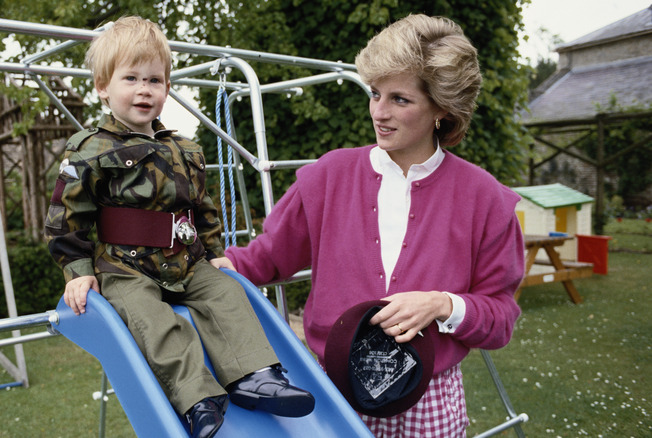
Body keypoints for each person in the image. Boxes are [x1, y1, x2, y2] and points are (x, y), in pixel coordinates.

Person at [212, 14, 525, 437]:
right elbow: (265, 258)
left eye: (400, 99)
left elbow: (501, 317)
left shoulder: (486, 199)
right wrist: (207, 269)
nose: (379, 111)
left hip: (429, 400)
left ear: (442, 109)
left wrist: (441, 304)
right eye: (375, 93)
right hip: (332, 391)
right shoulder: (327, 175)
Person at [44, 16, 314, 438]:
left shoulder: (185, 149)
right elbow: (66, 218)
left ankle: (255, 377)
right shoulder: (90, 149)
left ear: (167, 86)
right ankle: (196, 399)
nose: (144, 89)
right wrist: (78, 274)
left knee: (228, 292)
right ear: (103, 85)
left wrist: (214, 253)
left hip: (186, 262)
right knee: (152, 319)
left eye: (155, 79)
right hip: (124, 267)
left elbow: (202, 208)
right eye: (130, 78)